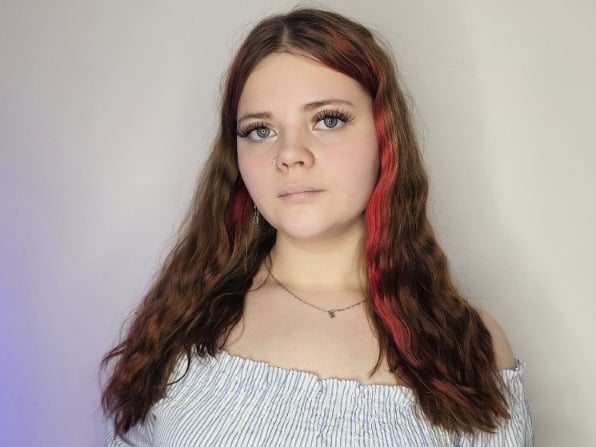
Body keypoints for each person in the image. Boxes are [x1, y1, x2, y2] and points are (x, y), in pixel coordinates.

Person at [101, 7, 532, 446]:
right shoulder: (179, 322)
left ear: (385, 138)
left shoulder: (469, 348)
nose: (290, 154)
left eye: (328, 120)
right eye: (260, 130)